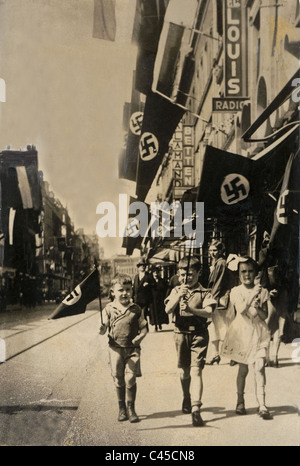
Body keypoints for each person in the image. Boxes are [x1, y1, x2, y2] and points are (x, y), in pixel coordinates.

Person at [165, 256, 217, 426]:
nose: (185, 278)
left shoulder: (205, 292)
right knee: (184, 372)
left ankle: (196, 409)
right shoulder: (175, 290)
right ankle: (186, 396)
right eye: (182, 275)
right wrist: (178, 296)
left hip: (199, 335)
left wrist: (190, 309)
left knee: (196, 371)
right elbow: (167, 309)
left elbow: (209, 312)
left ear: (199, 273)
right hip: (180, 334)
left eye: (189, 275)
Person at [222, 257, 272, 420]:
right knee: (243, 370)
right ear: (239, 274)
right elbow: (242, 310)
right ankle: (240, 401)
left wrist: (258, 306)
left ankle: (262, 403)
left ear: (256, 273)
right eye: (243, 271)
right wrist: (252, 297)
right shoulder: (236, 291)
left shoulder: (263, 291)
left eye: (251, 271)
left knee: (259, 368)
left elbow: (264, 316)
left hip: (258, 333)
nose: (247, 274)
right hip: (243, 334)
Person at [99, 274, 148, 423]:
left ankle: (131, 408)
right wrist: (102, 328)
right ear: (113, 292)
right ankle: (121, 409)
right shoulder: (109, 309)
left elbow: (144, 328)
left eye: (128, 289)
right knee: (119, 379)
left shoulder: (136, 309)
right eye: (121, 290)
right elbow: (102, 329)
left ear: (132, 291)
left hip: (133, 349)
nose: (125, 293)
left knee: (131, 377)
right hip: (115, 349)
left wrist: (141, 337)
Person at [258, 233, 289, 367]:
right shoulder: (284, 254)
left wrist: (270, 289)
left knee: (267, 325)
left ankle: (266, 358)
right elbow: (289, 275)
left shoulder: (265, 253)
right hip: (282, 292)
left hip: (268, 291)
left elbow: (260, 267)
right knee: (278, 325)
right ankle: (274, 358)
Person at [206, 240, 235, 365]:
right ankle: (215, 354)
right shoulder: (216, 263)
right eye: (211, 250)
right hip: (216, 298)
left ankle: (229, 355)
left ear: (221, 251)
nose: (212, 253)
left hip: (219, 299)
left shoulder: (221, 263)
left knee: (223, 327)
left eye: (215, 250)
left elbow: (218, 284)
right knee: (213, 327)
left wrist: (211, 299)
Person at [148, 265, 169, 331]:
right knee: (154, 312)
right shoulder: (150, 281)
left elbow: (164, 288)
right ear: (152, 273)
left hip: (160, 299)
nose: (156, 274)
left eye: (157, 272)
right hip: (152, 299)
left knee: (160, 312)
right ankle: (155, 326)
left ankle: (159, 324)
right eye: (154, 273)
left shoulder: (162, 280)